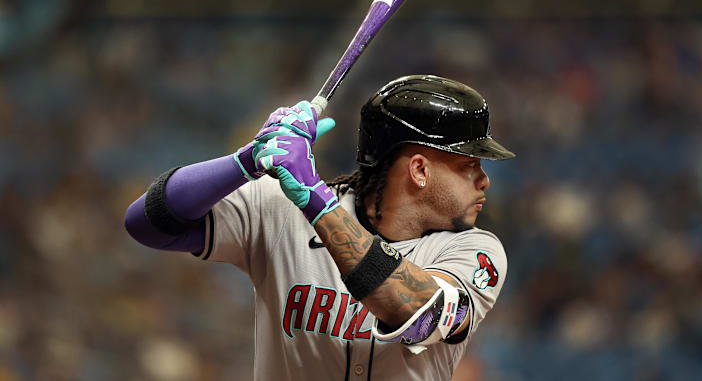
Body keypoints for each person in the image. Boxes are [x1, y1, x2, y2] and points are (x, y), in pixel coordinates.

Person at [124, 75, 514, 381]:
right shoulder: (281, 208)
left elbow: (416, 311)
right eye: (469, 166)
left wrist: (314, 197)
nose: (484, 180)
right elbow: (148, 223)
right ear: (419, 170)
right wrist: (246, 161)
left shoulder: (475, 251)